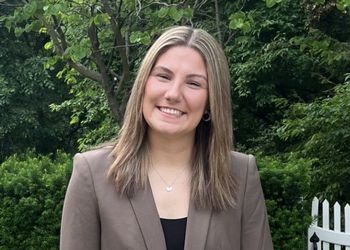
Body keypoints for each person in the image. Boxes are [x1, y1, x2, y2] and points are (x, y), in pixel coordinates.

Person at [60, 26, 273, 250]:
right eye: (163, 76)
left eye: (193, 83)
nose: (173, 94)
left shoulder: (240, 174)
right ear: (143, 84)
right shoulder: (92, 174)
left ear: (211, 100)